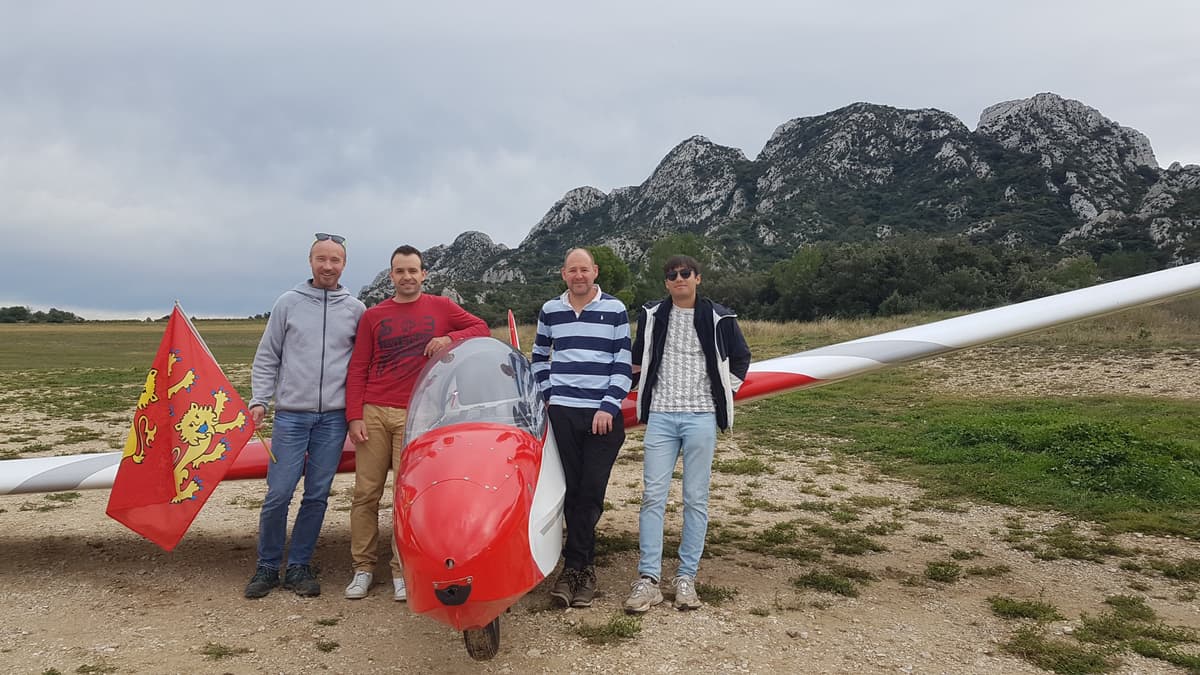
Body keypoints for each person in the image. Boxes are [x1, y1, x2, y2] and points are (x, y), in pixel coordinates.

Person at [343, 244, 490, 601]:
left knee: (407, 497)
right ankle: (362, 568)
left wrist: (449, 338)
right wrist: (354, 416)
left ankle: (402, 570)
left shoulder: (441, 307)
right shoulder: (373, 316)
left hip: (418, 414)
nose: (407, 277)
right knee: (366, 494)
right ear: (391, 276)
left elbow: (481, 327)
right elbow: (358, 366)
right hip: (375, 411)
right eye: (400, 271)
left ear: (424, 274)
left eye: (413, 271)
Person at [623, 255, 751, 613]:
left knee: (696, 498)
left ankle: (686, 578)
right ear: (666, 283)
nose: (678, 279)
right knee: (653, 497)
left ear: (697, 278)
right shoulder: (651, 316)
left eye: (684, 274)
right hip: (661, 416)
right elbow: (637, 360)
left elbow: (741, 357)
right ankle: (648, 579)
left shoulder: (720, 317)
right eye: (671, 275)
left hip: (701, 417)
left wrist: (726, 392)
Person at [244, 232, 366, 599]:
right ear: (310, 262)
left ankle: (299, 565)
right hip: (291, 417)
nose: (328, 266)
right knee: (278, 493)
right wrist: (259, 400)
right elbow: (268, 355)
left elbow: (361, 365)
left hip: (333, 419)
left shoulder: (356, 309)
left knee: (316, 495)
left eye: (336, 260)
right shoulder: (288, 303)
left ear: (344, 265)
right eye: (321, 259)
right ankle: (266, 566)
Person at [531, 247, 632, 608]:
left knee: (590, 492)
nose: (578, 275)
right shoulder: (551, 311)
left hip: (601, 417)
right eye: (572, 270)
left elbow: (622, 364)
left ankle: (577, 568)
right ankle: (578, 568)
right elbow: (539, 357)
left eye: (584, 269)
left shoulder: (615, 310)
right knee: (571, 491)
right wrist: (548, 395)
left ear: (595, 272)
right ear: (564, 274)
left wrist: (608, 407)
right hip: (562, 414)